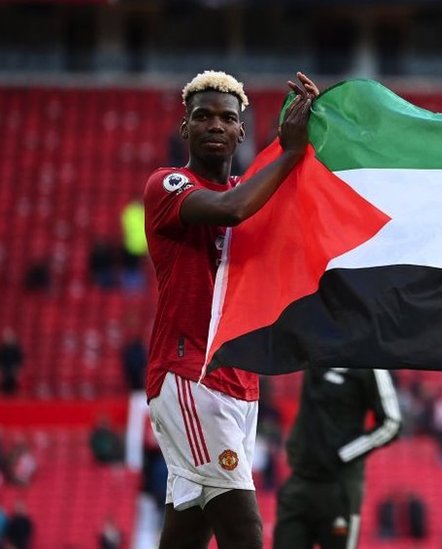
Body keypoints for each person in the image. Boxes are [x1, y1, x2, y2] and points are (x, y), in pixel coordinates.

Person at [143, 69, 320, 549]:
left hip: (242, 381)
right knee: (244, 530)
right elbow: (230, 211)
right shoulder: (169, 184)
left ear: (242, 129)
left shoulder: (251, 186)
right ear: (185, 128)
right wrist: (286, 151)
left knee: (188, 530)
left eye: (226, 117)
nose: (215, 125)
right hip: (189, 376)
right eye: (203, 117)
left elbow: (304, 202)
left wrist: (318, 128)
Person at [273, 366, 401, 549]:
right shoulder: (316, 352)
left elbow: (392, 423)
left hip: (339, 487)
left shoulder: (370, 364)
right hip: (299, 481)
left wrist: (345, 453)